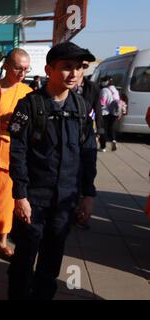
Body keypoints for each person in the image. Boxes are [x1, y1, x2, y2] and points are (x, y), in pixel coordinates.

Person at [8, 42, 97, 300]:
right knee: (24, 259)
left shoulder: (81, 108)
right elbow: (18, 153)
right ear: (49, 69)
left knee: (52, 260)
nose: (74, 73)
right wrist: (20, 195)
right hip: (34, 199)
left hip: (65, 201)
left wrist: (88, 194)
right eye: (67, 67)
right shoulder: (30, 106)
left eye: (79, 68)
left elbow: (89, 153)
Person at [0, 48, 32, 260]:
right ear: (6, 65)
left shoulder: (28, 92)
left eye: (26, 69)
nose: (22, 73)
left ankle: (2, 241)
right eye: (18, 68)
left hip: (10, 153)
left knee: (6, 202)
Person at [73, 58, 103, 229]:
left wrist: (100, 131)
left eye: (83, 66)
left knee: (88, 171)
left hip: (86, 136)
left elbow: (97, 110)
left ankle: (82, 213)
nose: (78, 70)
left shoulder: (92, 88)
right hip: (68, 136)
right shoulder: (66, 86)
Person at [99, 76, 121, 152]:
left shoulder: (104, 90)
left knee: (102, 129)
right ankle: (113, 140)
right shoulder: (115, 90)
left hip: (105, 112)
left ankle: (103, 147)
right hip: (114, 112)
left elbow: (102, 103)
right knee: (111, 127)